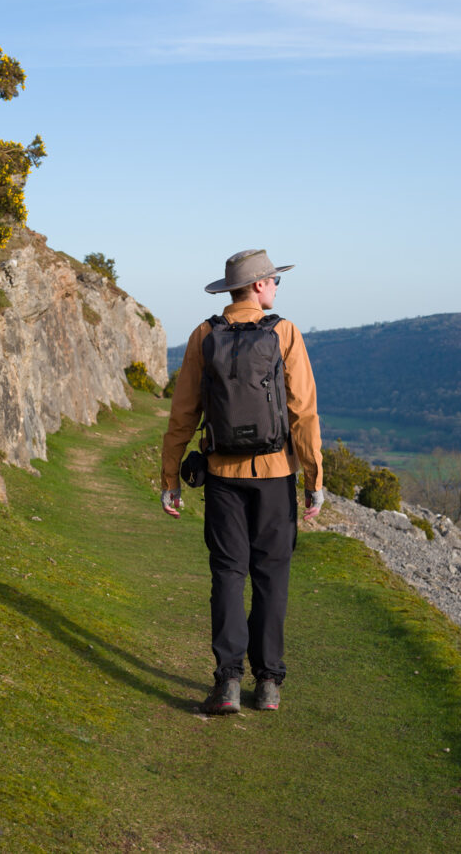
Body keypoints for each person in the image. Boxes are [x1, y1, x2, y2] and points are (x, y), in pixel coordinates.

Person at [160, 248, 324, 715]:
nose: (276, 288)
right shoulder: (285, 333)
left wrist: (170, 476)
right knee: (271, 576)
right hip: (275, 476)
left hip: (222, 476)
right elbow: (303, 413)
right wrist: (314, 477)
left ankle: (228, 683)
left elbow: (183, 414)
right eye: (274, 281)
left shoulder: (203, 335)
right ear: (257, 285)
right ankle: (269, 683)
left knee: (229, 574)